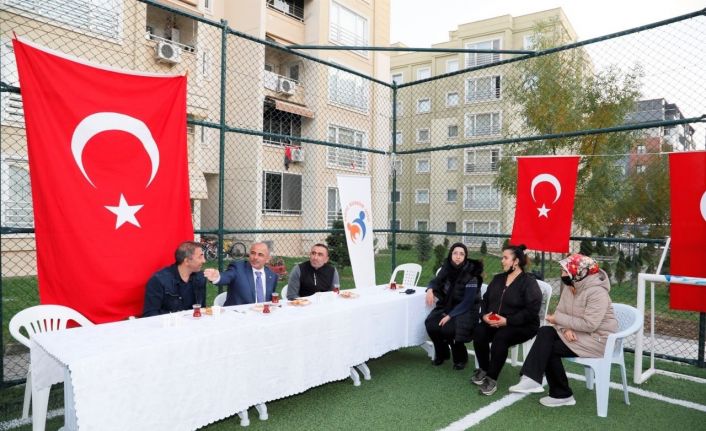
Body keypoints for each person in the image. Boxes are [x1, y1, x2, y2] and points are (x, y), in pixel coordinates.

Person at [509, 254, 618, 407]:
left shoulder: (597, 292)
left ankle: (561, 394)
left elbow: (589, 324)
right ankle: (532, 379)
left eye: (565, 270)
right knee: (545, 332)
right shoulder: (570, 286)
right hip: (578, 335)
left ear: (580, 272)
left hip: (598, 340)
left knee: (548, 348)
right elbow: (561, 314)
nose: (562, 274)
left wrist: (559, 320)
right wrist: (565, 328)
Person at [472, 244, 542, 396]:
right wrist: (484, 315)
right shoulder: (498, 279)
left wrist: (507, 321)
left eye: (505, 258)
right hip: (496, 321)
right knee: (479, 331)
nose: (502, 261)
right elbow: (485, 300)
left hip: (523, 325)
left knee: (501, 337)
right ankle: (484, 369)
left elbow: (531, 311)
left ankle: (491, 379)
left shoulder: (529, 282)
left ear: (516, 261)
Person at [424, 242, 484, 370]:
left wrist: (450, 316)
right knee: (431, 324)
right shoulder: (446, 268)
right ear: (451, 254)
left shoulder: (471, 274)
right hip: (447, 306)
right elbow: (435, 281)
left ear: (465, 257)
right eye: (455, 253)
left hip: (466, 310)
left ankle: (461, 358)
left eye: (461, 254)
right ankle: (442, 353)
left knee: (448, 329)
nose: (458, 256)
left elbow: (468, 302)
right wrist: (430, 289)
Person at [143, 241, 207, 317]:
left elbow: (201, 308)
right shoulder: (158, 280)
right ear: (186, 261)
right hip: (169, 323)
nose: (204, 261)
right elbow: (150, 314)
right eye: (200, 257)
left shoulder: (200, 277)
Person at [204, 242, 278, 306]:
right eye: (253, 253)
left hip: (263, 314)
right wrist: (217, 277)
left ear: (268, 259)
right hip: (238, 315)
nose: (255, 257)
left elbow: (270, 300)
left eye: (260, 255)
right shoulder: (238, 268)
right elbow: (227, 276)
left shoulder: (272, 275)